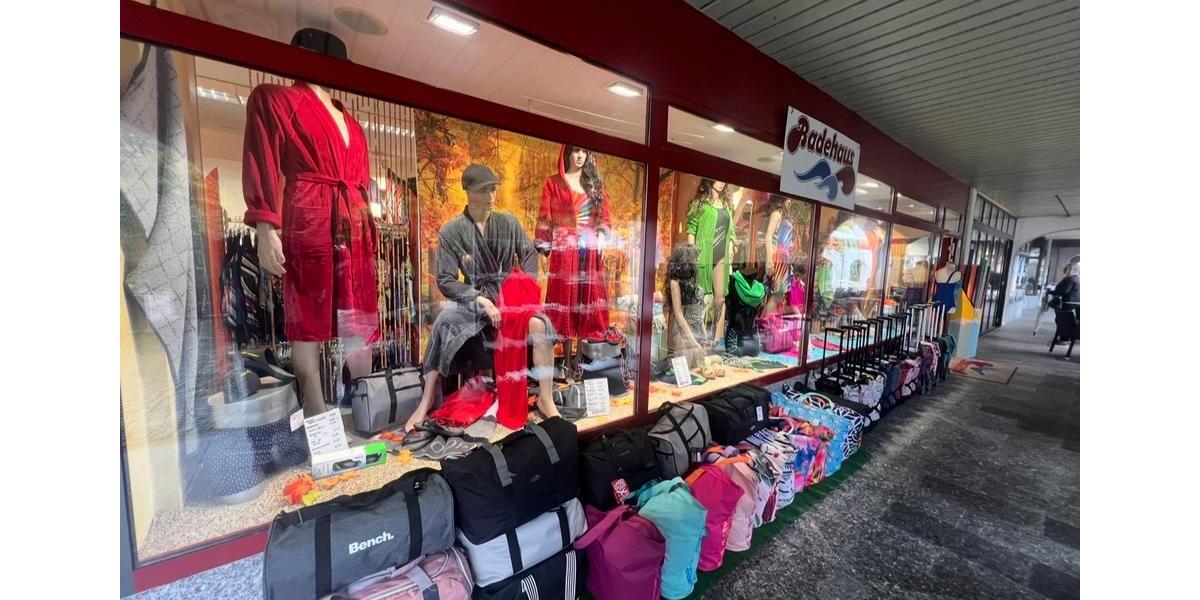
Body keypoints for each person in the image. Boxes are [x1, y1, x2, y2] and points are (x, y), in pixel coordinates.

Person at [406, 164, 560, 430]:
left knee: (541, 325)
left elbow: (529, 254)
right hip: (474, 300)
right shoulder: (452, 231)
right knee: (444, 323)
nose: (490, 197)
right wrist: (480, 299)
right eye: (483, 191)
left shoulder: (508, 223)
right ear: (468, 193)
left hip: (509, 299)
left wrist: (521, 286)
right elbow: (445, 278)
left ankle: (546, 399)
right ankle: (427, 399)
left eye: (493, 190)